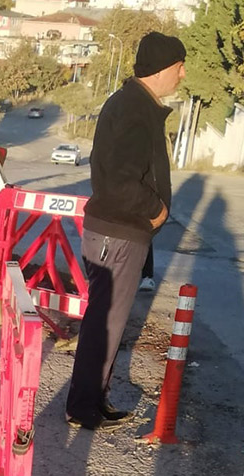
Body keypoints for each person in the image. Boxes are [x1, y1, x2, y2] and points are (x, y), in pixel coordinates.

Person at [65, 31, 186, 431]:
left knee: (107, 322)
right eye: (180, 66)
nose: (183, 75)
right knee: (105, 323)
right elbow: (119, 179)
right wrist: (156, 210)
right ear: (162, 68)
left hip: (115, 231)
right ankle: (82, 408)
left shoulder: (130, 103)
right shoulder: (135, 108)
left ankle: (92, 400)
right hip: (119, 232)